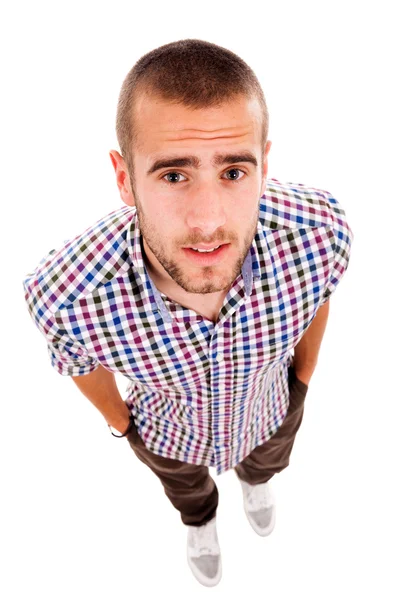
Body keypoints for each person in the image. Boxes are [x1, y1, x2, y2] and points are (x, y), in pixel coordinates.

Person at [22, 38, 354, 587]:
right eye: (174, 175)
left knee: (269, 458)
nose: (207, 221)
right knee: (187, 490)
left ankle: (257, 479)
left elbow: (320, 296)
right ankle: (200, 519)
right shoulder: (66, 296)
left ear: (264, 165)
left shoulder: (319, 235)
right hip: (170, 437)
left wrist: (303, 378)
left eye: (233, 172)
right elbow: (78, 363)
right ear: (125, 178)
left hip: (269, 410)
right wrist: (124, 426)